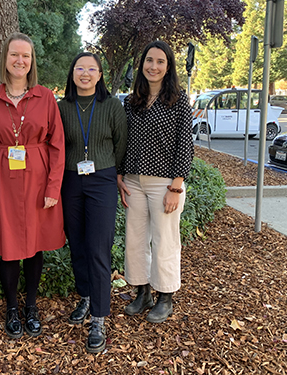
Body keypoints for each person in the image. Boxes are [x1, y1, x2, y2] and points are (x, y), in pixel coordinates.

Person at [0, 33, 65, 339]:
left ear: (32, 61)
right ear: (5, 58)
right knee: (9, 248)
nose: (20, 61)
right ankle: (12, 307)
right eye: (14, 55)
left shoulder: (46, 98)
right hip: (2, 182)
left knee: (35, 245)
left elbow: (57, 146)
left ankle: (32, 306)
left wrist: (53, 187)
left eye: (26, 56)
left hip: (37, 181)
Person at [117, 41, 194, 324]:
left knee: (165, 241)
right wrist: (119, 174)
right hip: (134, 180)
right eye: (149, 60)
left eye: (160, 61)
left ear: (168, 66)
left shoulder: (178, 100)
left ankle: (165, 297)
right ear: (142, 65)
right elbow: (124, 141)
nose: (153, 66)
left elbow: (185, 144)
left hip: (165, 183)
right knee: (136, 240)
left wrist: (176, 186)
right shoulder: (131, 101)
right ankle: (142, 292)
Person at [58, 52, 127, 353]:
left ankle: (99, 316)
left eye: (91, 69)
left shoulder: (112, 106)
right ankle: (85, 297)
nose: (85, 73)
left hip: (102, 181)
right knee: (77, 245)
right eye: (79, 68)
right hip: (71, 181)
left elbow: (121, 144)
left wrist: (119, 177)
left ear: (100, 75)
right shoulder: (61, 107)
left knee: (98, 249)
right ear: (72, 73)